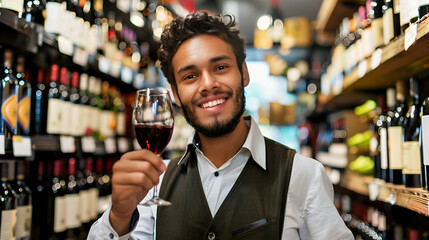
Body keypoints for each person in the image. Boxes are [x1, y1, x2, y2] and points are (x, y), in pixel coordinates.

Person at [88, 12, 354, 240]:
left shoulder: (303, 176)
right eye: (190, 76)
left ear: (244, 73)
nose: (207, 84)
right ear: (176, 94)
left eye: (220, 67)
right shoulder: (153, 184)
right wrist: (119, 216)